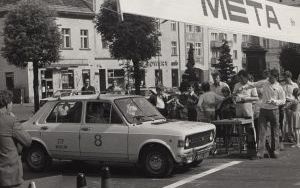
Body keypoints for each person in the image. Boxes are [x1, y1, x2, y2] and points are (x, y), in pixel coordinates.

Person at [0, 90, 32, 188]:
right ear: (7, 104)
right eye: (11, 102)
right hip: (9, 175)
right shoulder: (11, 121)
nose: (12, 105)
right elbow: (27, 141)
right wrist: (14, 118)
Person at [253, 68, 286, 159]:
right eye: (269, 77)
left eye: (271, 78)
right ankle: (260, 152)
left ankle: (275, 151)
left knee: (275, 132)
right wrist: (244, 87)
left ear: (276, 77)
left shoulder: (279, 87)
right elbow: (254, 84)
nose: (270, 79)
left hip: (274, 110)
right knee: (262, 131)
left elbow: (283, 100)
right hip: (263, 110)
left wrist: (275, 101)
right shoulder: (265, 82)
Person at [233, 70, 259, 149]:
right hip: (238, 107)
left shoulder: (251, 85)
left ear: (246, 77)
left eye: (241, 78)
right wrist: (234, 98)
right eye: (239, 78)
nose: (240, 80)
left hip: (247, 107)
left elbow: (256, 98)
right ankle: (242, 144)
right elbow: (233, 95)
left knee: (250, 127)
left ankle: (253, 144)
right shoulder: (237, 85)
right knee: (240, 127)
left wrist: (246, 99)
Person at [281, 71, 298, 142]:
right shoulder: (283, 86)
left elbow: (297, 95)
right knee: (287, 121)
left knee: (294, 120)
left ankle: (294, 135)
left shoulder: (295, 85)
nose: (285, 79)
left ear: (289, 77)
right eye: (284, 77)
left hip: (294, 104)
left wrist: (294, 100)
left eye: (286, 77)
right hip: (287, 103)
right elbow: (283, 96)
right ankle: (288, 136)